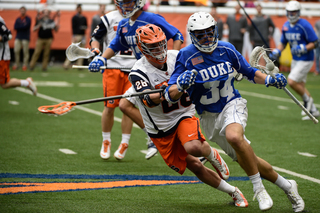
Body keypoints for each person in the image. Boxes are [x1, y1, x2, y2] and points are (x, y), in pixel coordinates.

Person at [165, 12, 305, 212]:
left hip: (232, 104)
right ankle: (287, 185)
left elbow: (249, 72)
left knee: (234, 136)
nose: (206, 38)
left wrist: (269, 80)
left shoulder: (227, 49)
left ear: (215, 31)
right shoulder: (186, 56)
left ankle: (259, 189)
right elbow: (170, 95)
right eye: (200, 34)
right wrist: (180, 85)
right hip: (208, 118)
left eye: (209, 32)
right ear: (193, 35)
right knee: (249, 159)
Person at [128, 24, 248, 208]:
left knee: (193, 147)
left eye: (161, 44)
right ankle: (233, 191)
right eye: (153, 46)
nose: (159, 49)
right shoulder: (138, 71)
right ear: (142, 48)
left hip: (183, 113)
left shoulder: (178, 57)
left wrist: (230, 72)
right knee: (195, 166)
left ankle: (210, 153)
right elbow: (149, 100)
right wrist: (169, 89)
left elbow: (207, 69)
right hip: (160, 128)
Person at [88, 0, 184, 160]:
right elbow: (116, 45)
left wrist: (174, 60)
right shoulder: (125, 24)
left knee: (166, 110)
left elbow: (177, 35)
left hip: (160, 72)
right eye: (122, 3)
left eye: (128, 2)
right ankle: (157, 138)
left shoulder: (151, 18)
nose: (125, 6)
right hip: (145, 72)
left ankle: (169, 139)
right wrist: (102, 59)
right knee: (126, 104)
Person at [90, 8, 137, 160]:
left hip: (133, 69)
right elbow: (95, 38)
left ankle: (125, 142)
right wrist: (96, 50)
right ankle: (106, 140)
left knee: (128, 108)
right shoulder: (108, 18)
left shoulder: (141, 17)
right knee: (109, 107)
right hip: (112, 67)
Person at [269, 0, 319, 120]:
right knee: (300, 84)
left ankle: (307, 101)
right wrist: (277, 51)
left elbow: (315, 42)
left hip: (306, 59)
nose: (291, 15)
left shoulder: (304, 25)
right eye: (290, 13)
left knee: (291, 81)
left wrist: (303, 48)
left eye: (294, 12)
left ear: (298, 12)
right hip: (295, 59)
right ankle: (313, 110)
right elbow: (283, 43)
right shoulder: (286, 26)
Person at [0, 16, 37, 95]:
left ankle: (27, 83)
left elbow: (8, 35)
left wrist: (1, 38)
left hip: (1, 57)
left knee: (4, 84)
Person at [63, 4, 87, 69]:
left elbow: (86, 26)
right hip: (76, 35)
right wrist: (74, 36)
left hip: (82, 36)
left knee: (82, 51)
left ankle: (80, 65)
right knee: (72, 50)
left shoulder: (84, 18)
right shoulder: (74, 18)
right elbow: (73, 28)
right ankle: (66, 64)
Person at [13, 6, 32, 71]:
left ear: (25, 11)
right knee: (16, 51)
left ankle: (25, 65)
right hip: (18, 37)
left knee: (25, 52)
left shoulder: (28, 19)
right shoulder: (18, 19)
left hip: (25, 37)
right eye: (21, 10)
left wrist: (20, 26)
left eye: (23, 10)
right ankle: (16, 64)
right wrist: (22, 25)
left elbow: (26, 26)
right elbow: (15, 27)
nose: (22, 12)